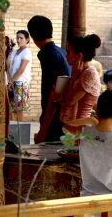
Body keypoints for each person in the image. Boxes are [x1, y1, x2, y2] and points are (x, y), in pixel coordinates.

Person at [67, 90, 112, 217]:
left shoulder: (85, 132)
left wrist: (88, 120)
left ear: (97, 111)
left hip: (87, 201)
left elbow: (66, 127)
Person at [27, 15, 70, 143]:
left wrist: (43, 131)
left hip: (56, 122)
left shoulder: (49, 55)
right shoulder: (61, 52)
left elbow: (54, 97)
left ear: (32, 36)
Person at [60, 34, 102, 127]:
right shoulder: (82, 72)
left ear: (78, 56)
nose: (66, 55)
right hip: (73, 125)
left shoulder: (90, 73)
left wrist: (74, 76)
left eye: (68, 52)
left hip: (82, 127)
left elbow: (71, 101)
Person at [7, 30, 32, 122]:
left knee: (18, 110)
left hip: (20, 83)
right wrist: (9, 81)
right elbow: (10, 68)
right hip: (12, 82)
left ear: (27, 40)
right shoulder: (14, 52)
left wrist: (11, 81)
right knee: (11, 109)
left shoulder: (27, 52)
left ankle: (20, 132)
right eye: (17, 38)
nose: (19, 40)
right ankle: (12, 132)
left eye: (21, 38)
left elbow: (21, 70)